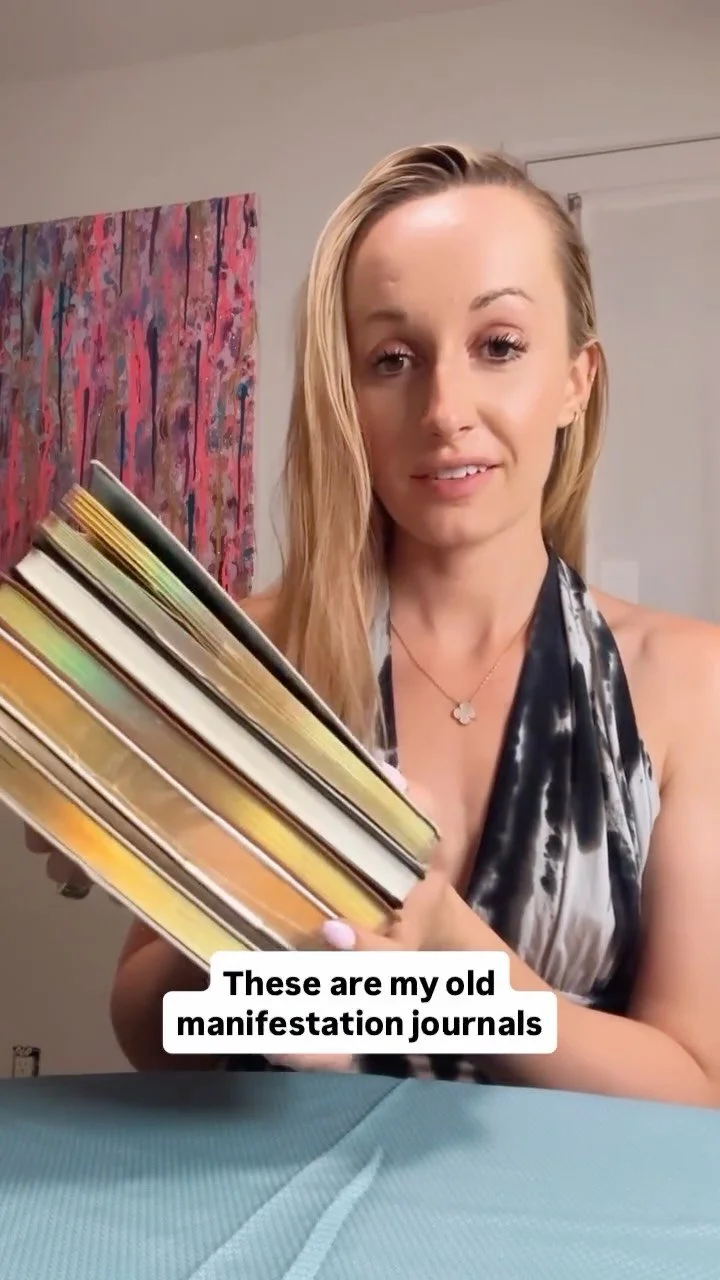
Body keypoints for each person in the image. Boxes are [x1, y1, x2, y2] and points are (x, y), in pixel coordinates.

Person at [33, 142, 720, 1106]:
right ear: (344, 393)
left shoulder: (690, 681)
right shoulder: (250, 655)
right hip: (282, 1189)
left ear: (577, 379)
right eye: (392, 360)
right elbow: (152, 1036)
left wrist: (444, 956)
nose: (444, 410)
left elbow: (696, 1088)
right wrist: (239, 900)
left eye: (499, 346)